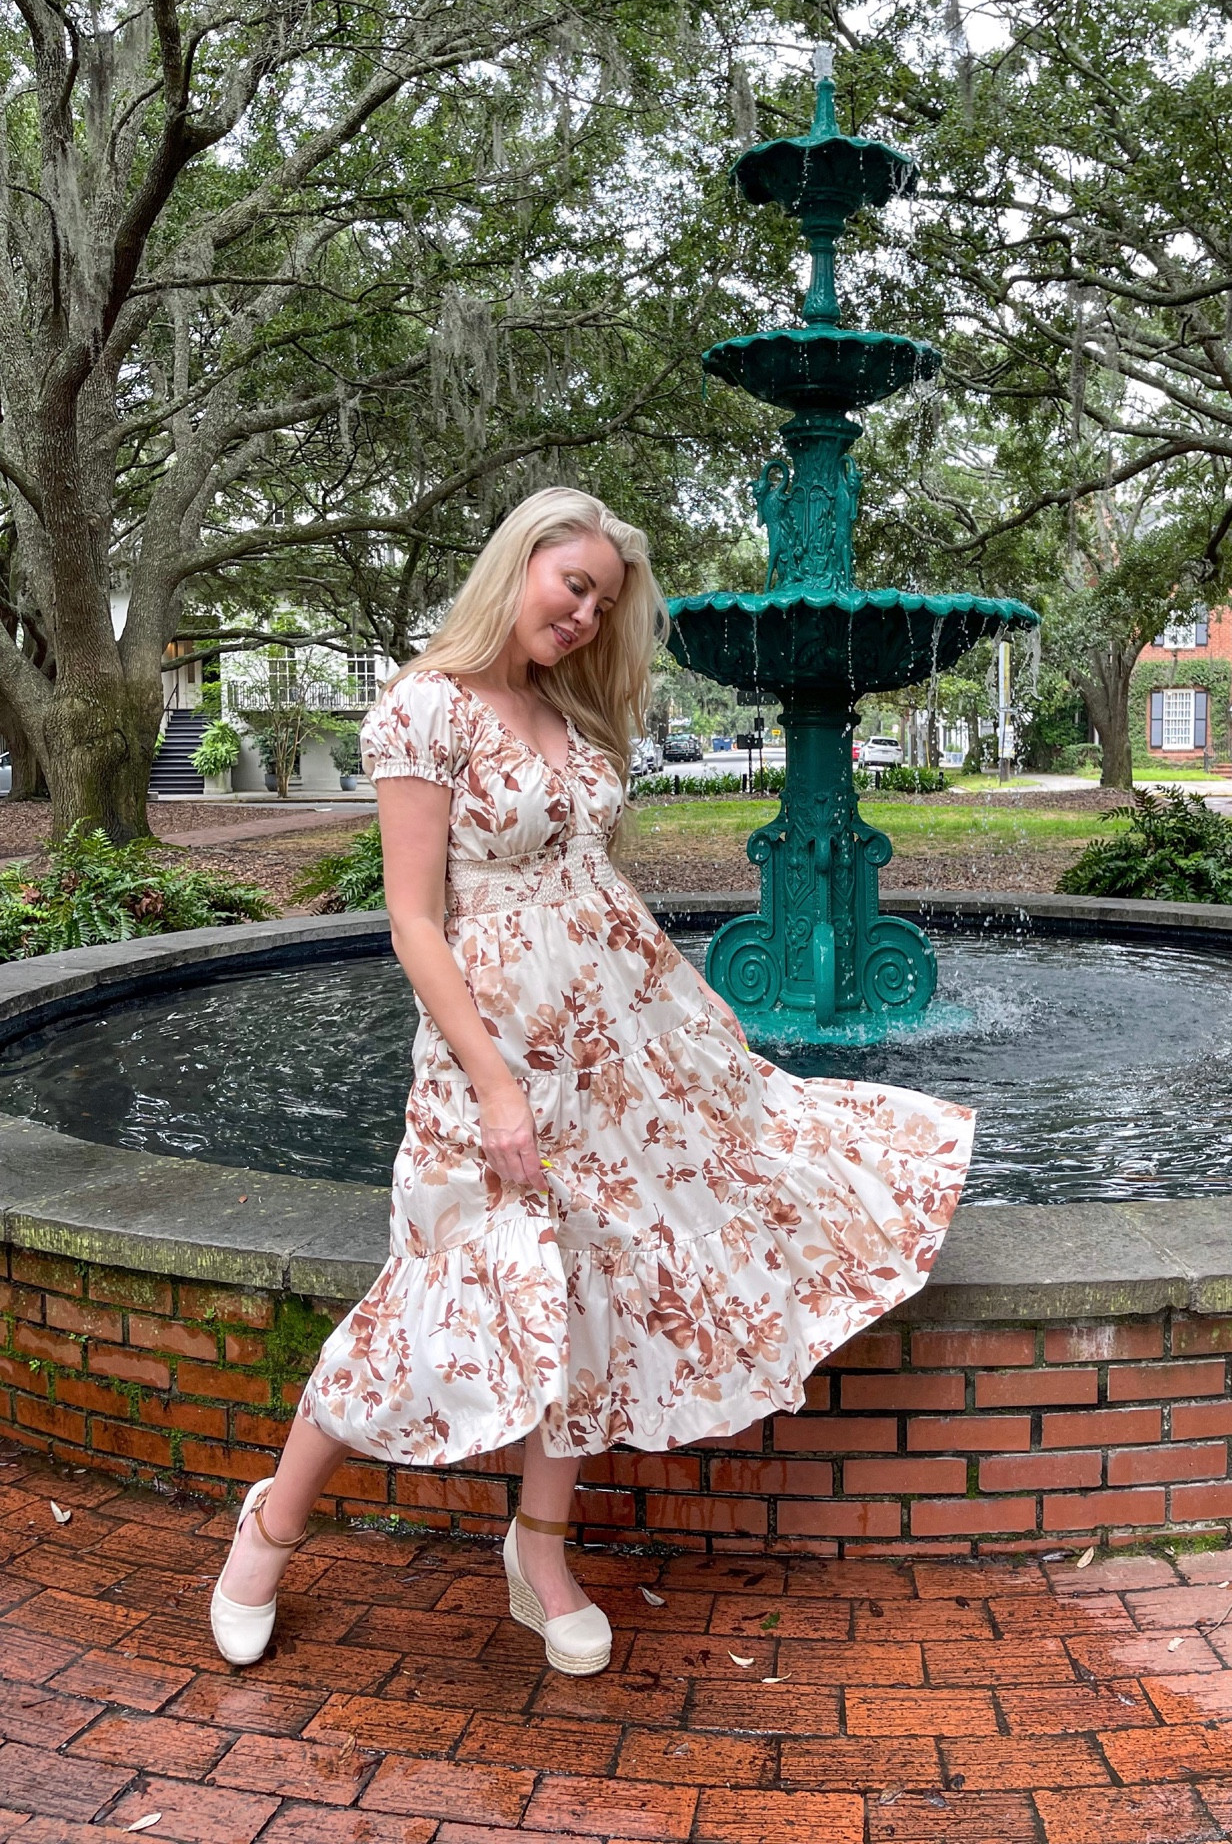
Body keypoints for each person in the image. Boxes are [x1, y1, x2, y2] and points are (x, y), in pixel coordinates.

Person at [209, 486, 975, 1675]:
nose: (585, 615)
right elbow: (415, 921)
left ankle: (540, 1549)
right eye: (574, 586)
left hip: (618, 1048)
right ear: (517, 564)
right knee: (428, 1298)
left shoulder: (564, 708)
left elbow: (589, 887)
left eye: (604, 602)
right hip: (494, 1052)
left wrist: (676, 1018)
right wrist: (494, 1086)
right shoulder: (425, 706)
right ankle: (270, 1525)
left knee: (595, 1285)